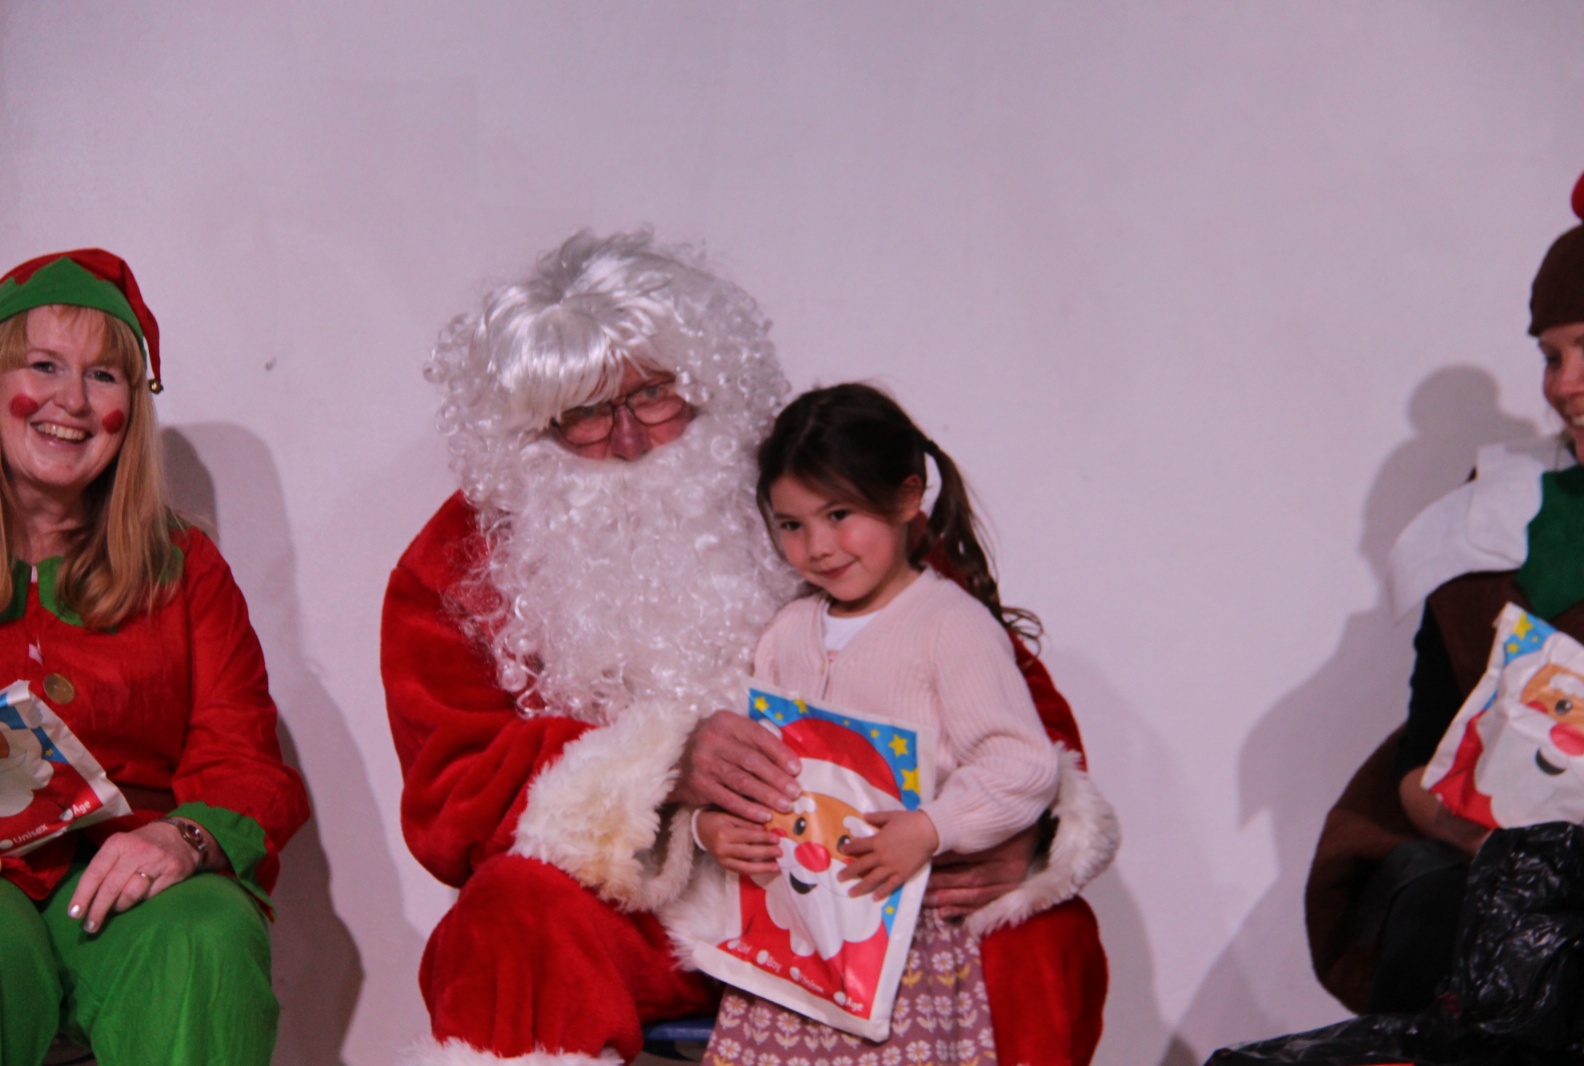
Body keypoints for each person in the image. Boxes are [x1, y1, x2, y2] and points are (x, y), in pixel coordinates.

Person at [382, 230, 1118, 1066]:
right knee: (510, 914)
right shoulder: (457, 567)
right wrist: (657, 773)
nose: (628, 438)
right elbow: (454, 799)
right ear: (530, 428)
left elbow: (1020, 711)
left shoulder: (810, 496)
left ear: (705, 380)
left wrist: (1016, 835)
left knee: (1039, 936)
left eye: (653, 395)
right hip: (643, 913)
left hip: (863, 880)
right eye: (584, 413)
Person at [685, 382, 1113, 1066]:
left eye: (839, 514)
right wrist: (709, 827)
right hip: (795, 945)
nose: (818, 547)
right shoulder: (786, 631)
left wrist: (931, 827)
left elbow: (1020, 763)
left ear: (909, 497)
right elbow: (755, 763)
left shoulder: (949, 626)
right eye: (791, 525)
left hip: (901, 937)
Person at [1306, 155, 1584, 1012]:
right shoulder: (1502, 519)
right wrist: (1499, 837)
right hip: (1518, 885)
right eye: (1550, 356)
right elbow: (1424, 755)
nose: (1563, 385)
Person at [0, 248, 309, 1064]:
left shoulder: (184, 567)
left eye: (103, 376)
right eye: (44, 365)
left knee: (207, 934)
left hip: (122, 878)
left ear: (132, 408)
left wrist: (187, 838)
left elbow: (246, 760)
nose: (72, 400)